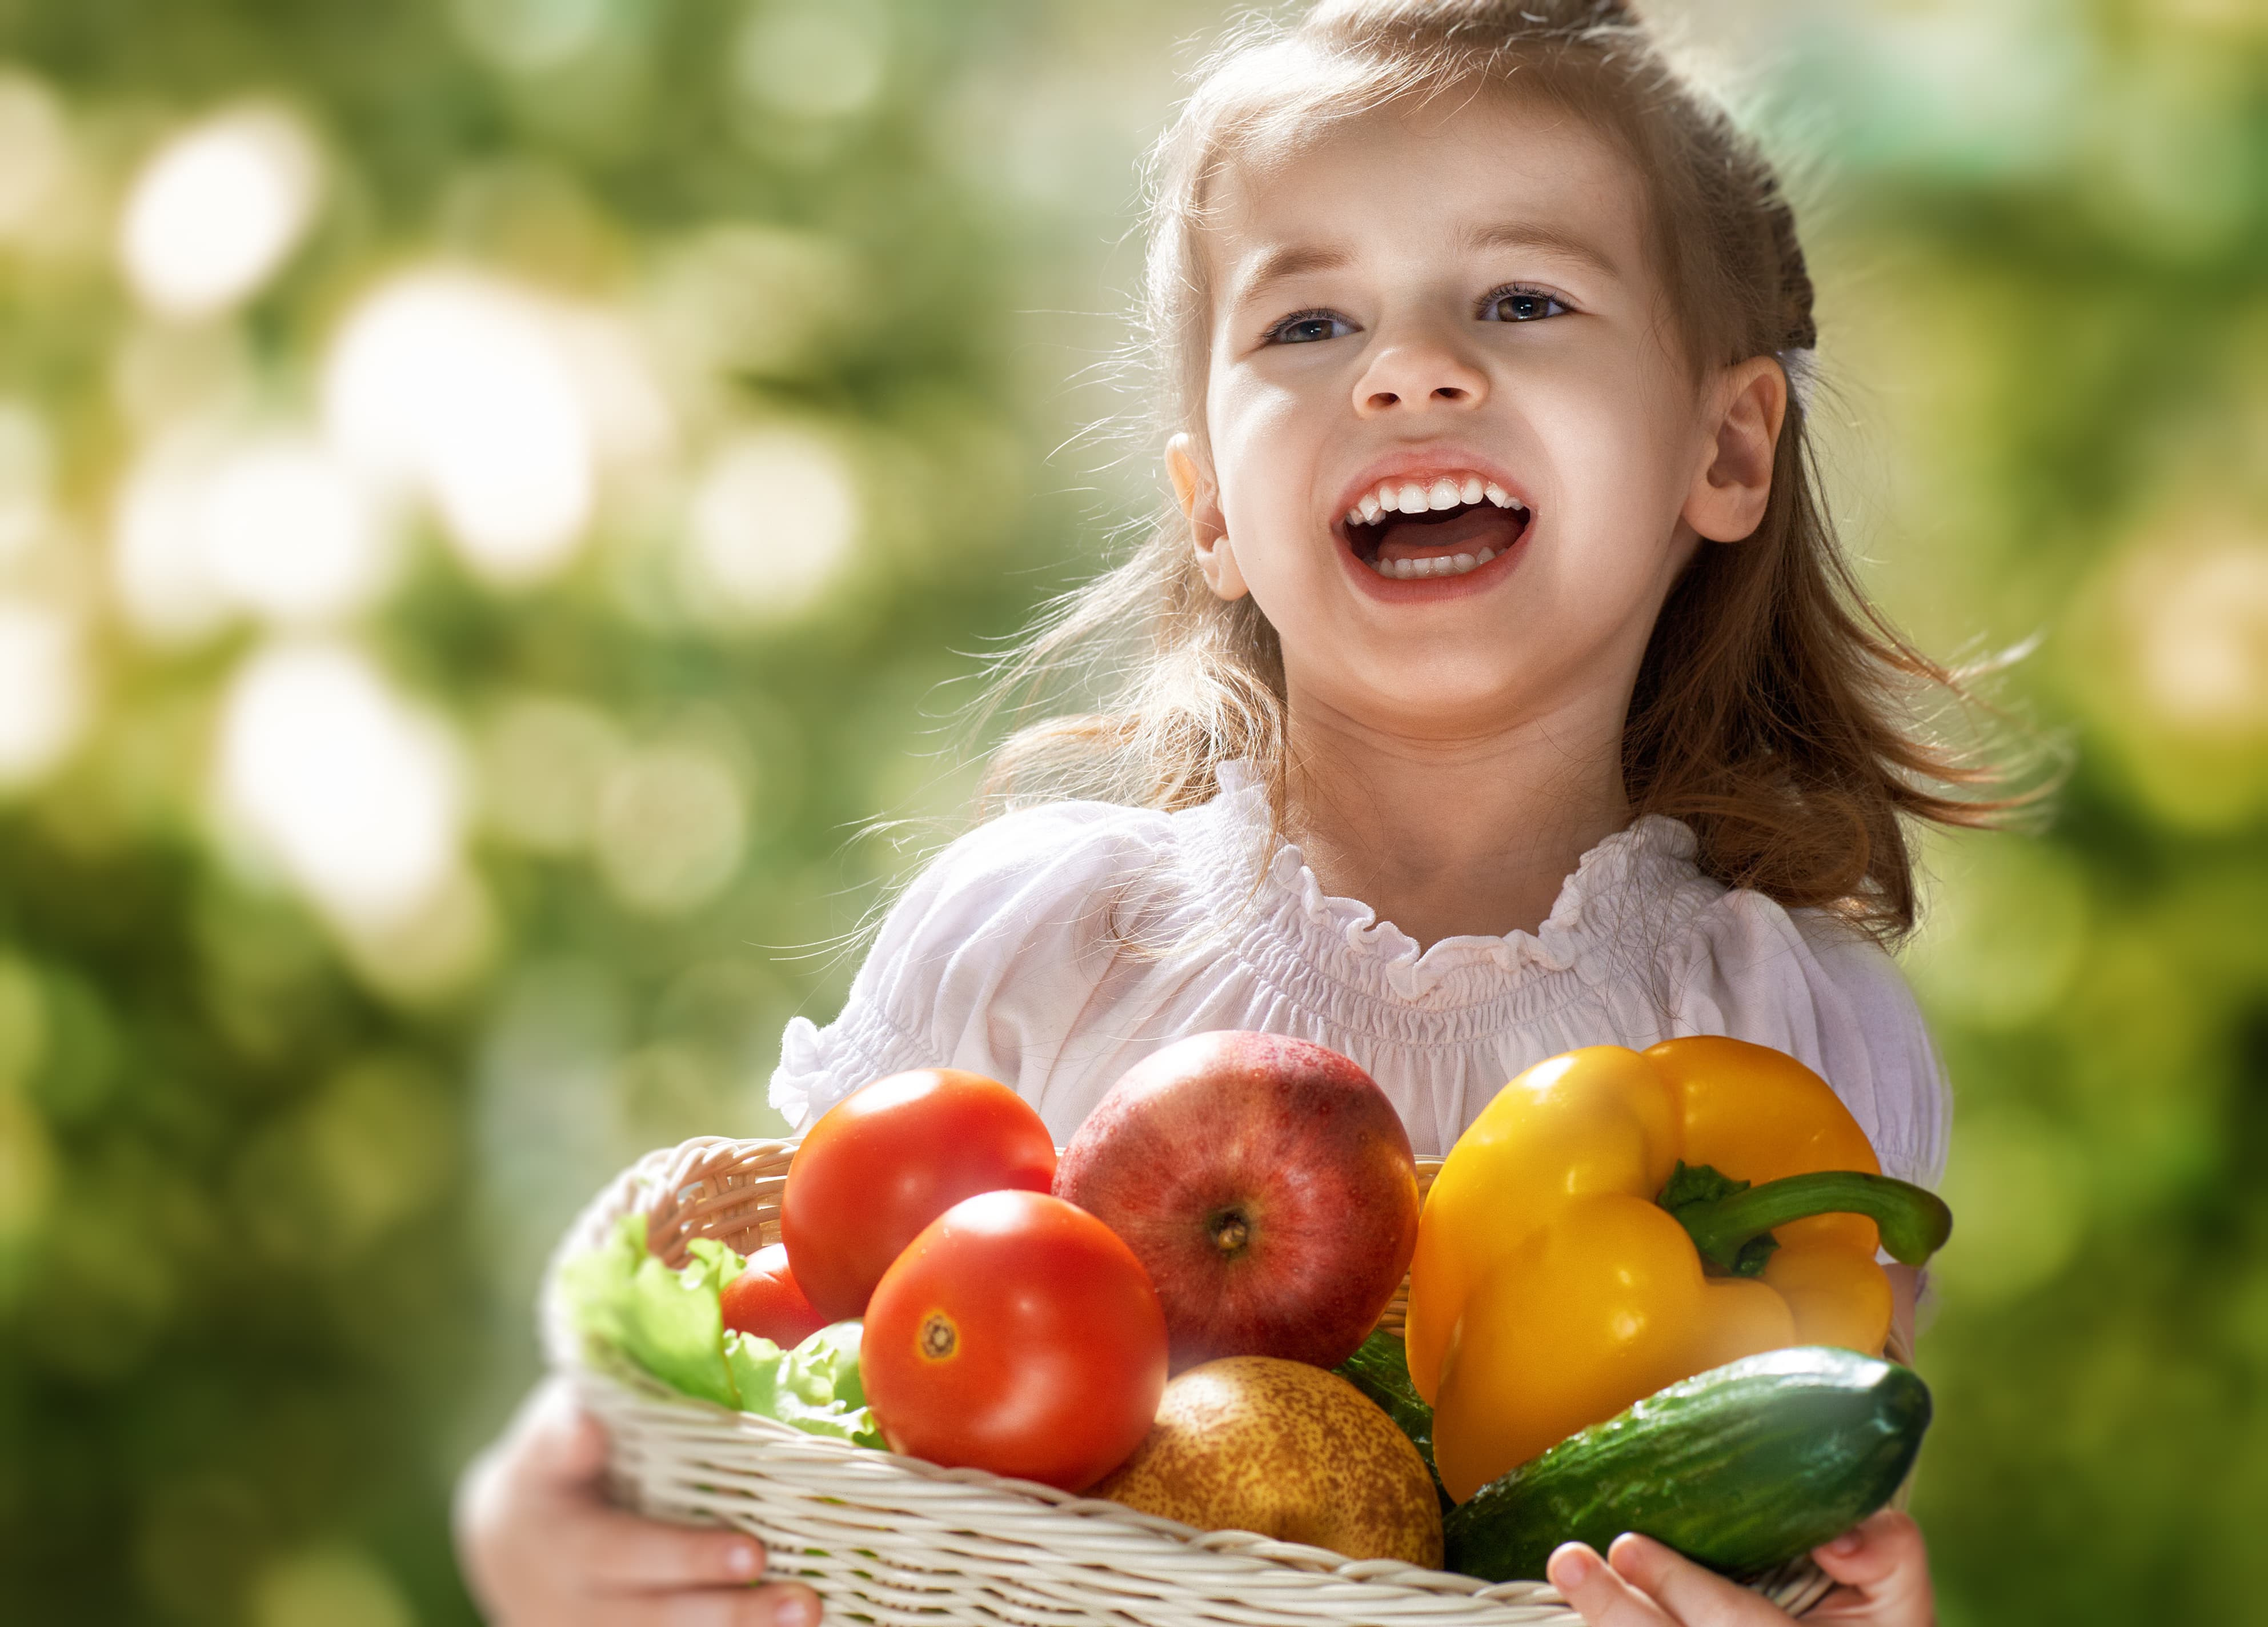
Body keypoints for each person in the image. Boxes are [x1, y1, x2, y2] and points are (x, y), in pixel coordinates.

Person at [457, 2, 2005, 1623]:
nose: (1411, 370)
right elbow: (787, 1375)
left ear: (1727, 445)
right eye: (1310, 324)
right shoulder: (1043, 946)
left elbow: (1786, 1518)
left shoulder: (1786, 1030)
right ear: (1208, 505)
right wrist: (562, 1532)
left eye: (1523, 298)